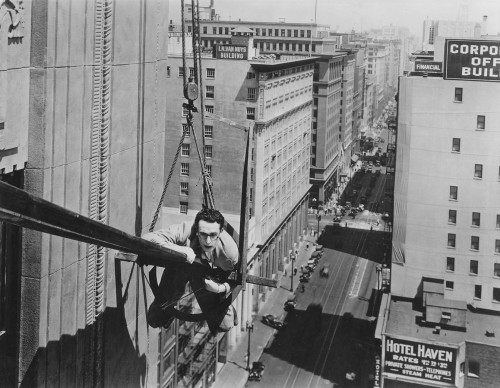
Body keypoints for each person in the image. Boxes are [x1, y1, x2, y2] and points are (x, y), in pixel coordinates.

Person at [143, 208, 239, 331]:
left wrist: (220, 289)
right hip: (181, 266)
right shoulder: (186, 230)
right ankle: (167, 311)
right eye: (203, 234)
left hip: (208, 275)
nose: (208, 241)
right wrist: (179, 250)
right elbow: (147, 239)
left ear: (220, 232)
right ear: (197, 231)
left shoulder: (228, 253)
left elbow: (235, 278)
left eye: (213, 235)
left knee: (224, 325)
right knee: (155, 319)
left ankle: (228, 309)